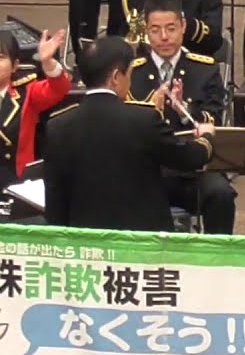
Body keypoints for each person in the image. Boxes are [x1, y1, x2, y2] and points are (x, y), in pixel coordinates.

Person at [44, 37, 214, 231]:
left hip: (85, 239)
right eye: (129, 74)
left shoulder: (58, 125)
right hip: (141, 239)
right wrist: (205, 137)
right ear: (116, 78)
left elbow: (55, 197)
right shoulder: (143, 119)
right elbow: (187, 158)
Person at [126, 0, 235, 234]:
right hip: (149, 171)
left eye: (171, 28)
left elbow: (214, 119)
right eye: (155, 30)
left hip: (192, 170)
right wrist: (152, 107)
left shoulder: (204, 69)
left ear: (183, 26)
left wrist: (184, 112)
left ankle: (219, 253)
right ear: (146, 31)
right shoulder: (132, 72)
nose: (164, 37)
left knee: (220, 193)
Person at [0, 29, 71, 188]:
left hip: (16, 183)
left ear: (15, 66)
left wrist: (47, 62)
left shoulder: (27, 93)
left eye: (0, 57)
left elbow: (60, 88)